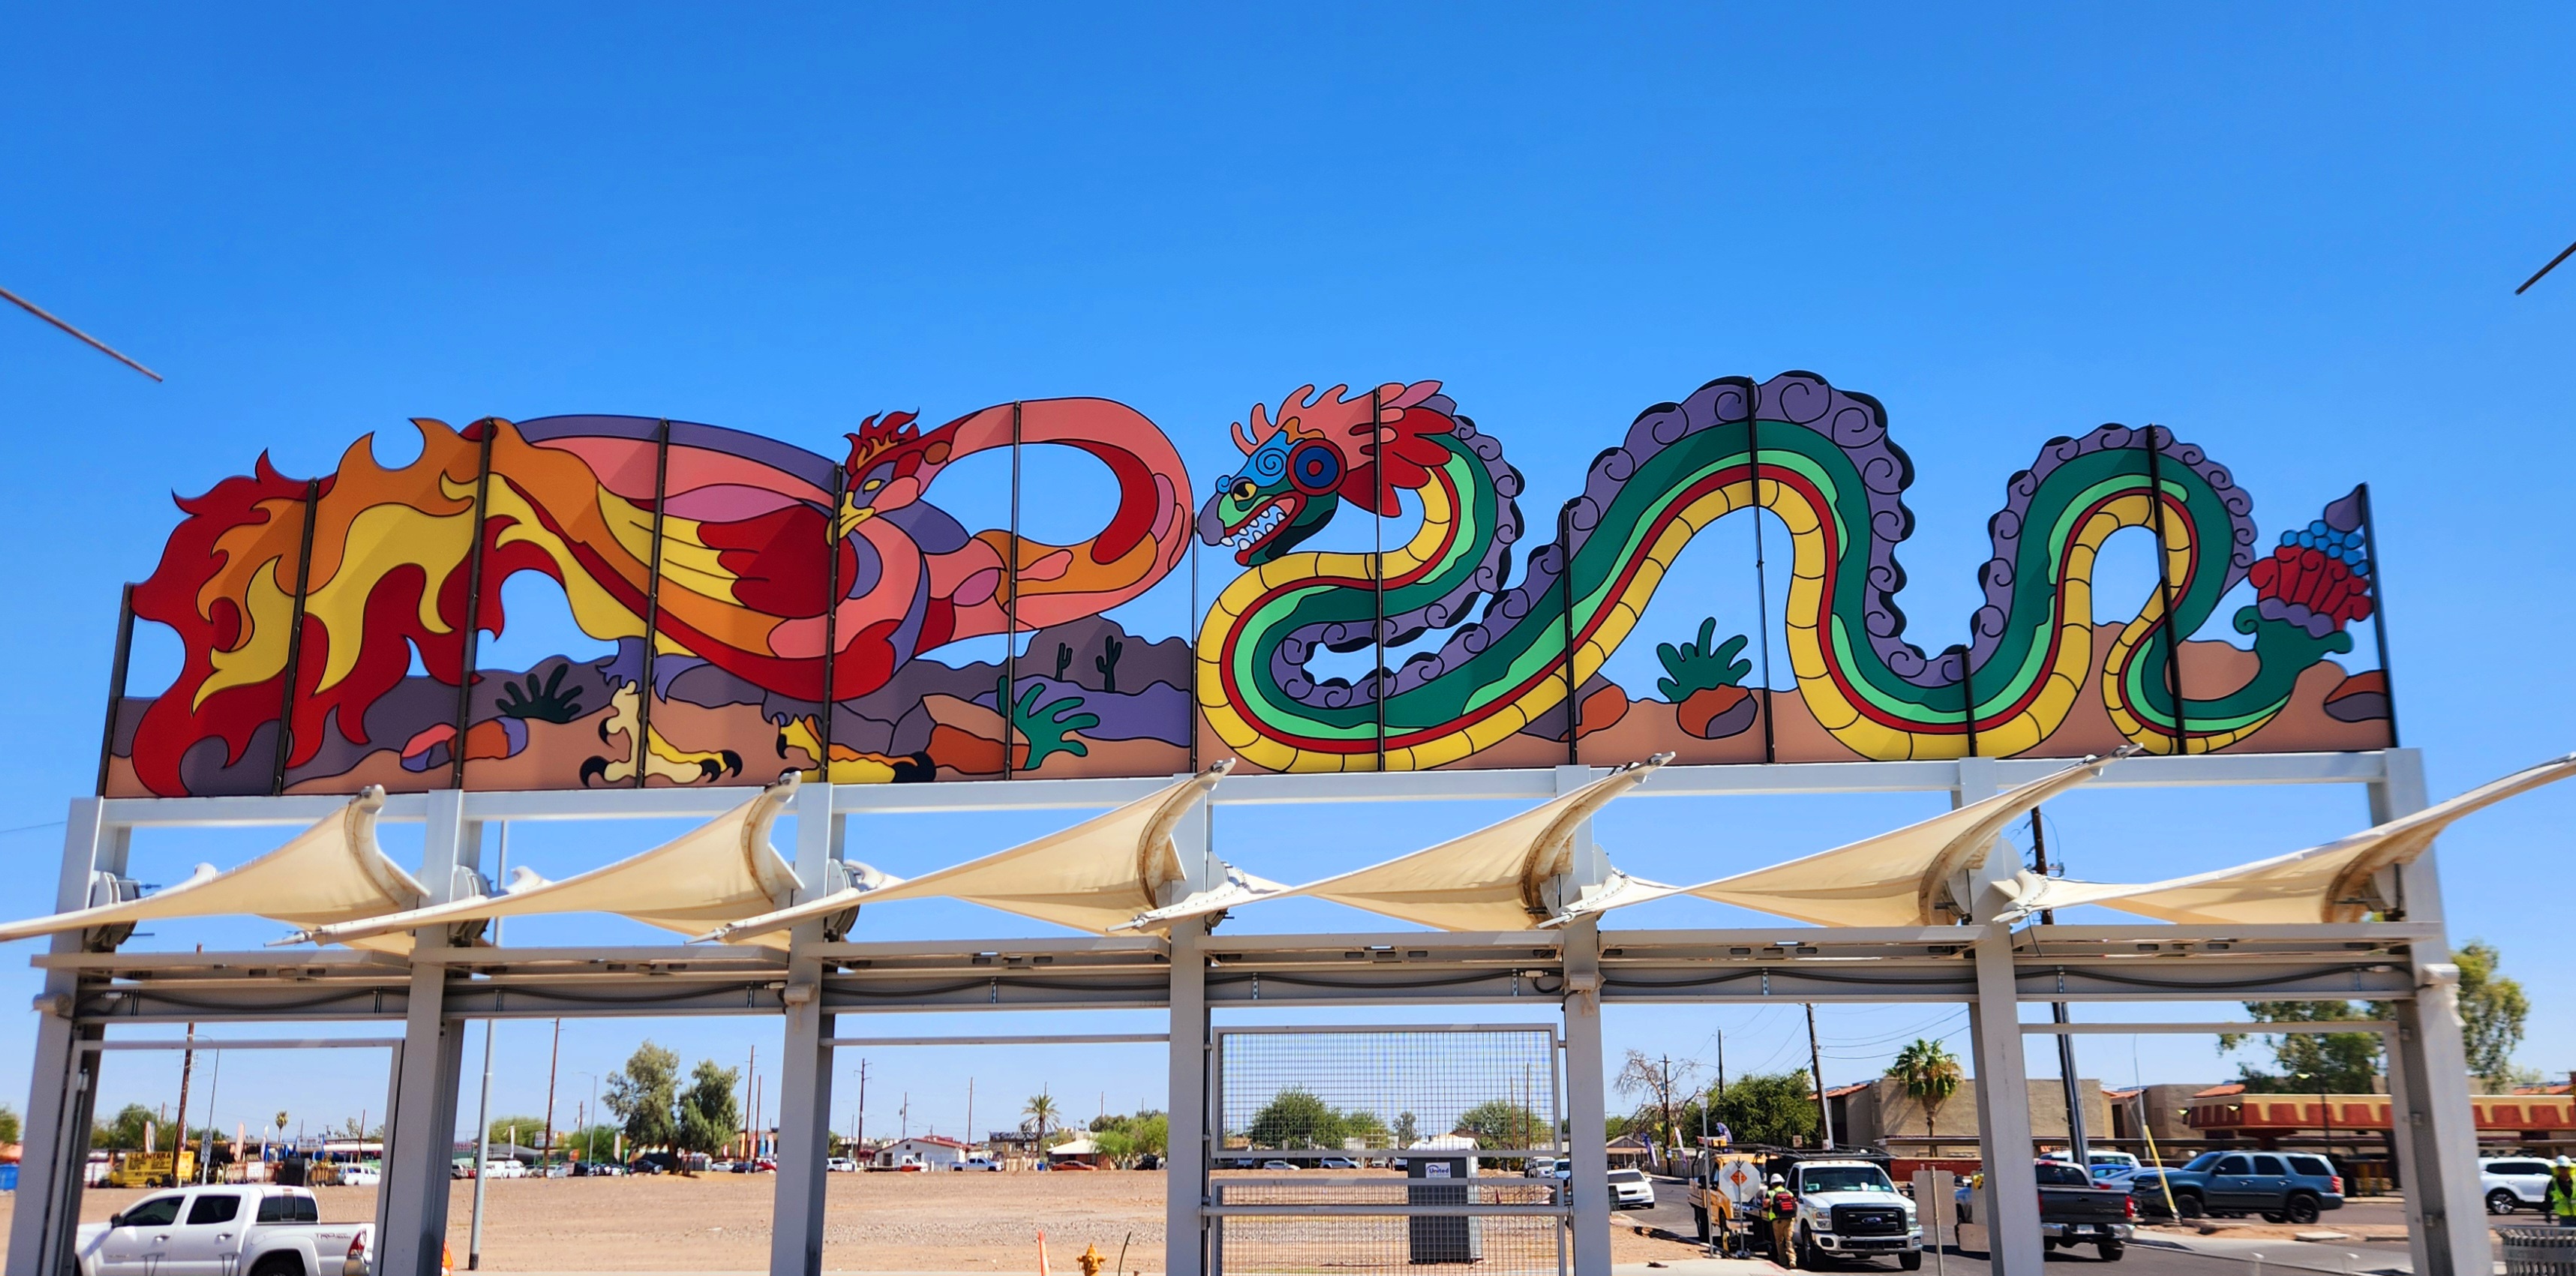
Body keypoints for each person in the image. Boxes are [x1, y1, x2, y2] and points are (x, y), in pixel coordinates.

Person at [1763, 1172, 1800, 1266]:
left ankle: (1783, 1261)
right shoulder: (1789, 1193)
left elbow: (1765, 1204)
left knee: (1779, 1241)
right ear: (1782, 1183)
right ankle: (1792, 1260)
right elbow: (1796, 1204)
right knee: (1789, 1240)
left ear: (1772, 1184)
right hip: (1789, 1219)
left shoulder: (1771, 1193)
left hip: (1777, 1220)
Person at [2548, 1157, 2576, 1228]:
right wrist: (2548, 1212)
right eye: (2561, 1167)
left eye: (2566, 1168)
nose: (2564, 1170)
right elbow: (2548, 1197)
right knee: (2565, 1234)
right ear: (2557, 1169)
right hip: (2564, 1215)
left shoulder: (2575, 1180)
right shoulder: (2553, 1182)